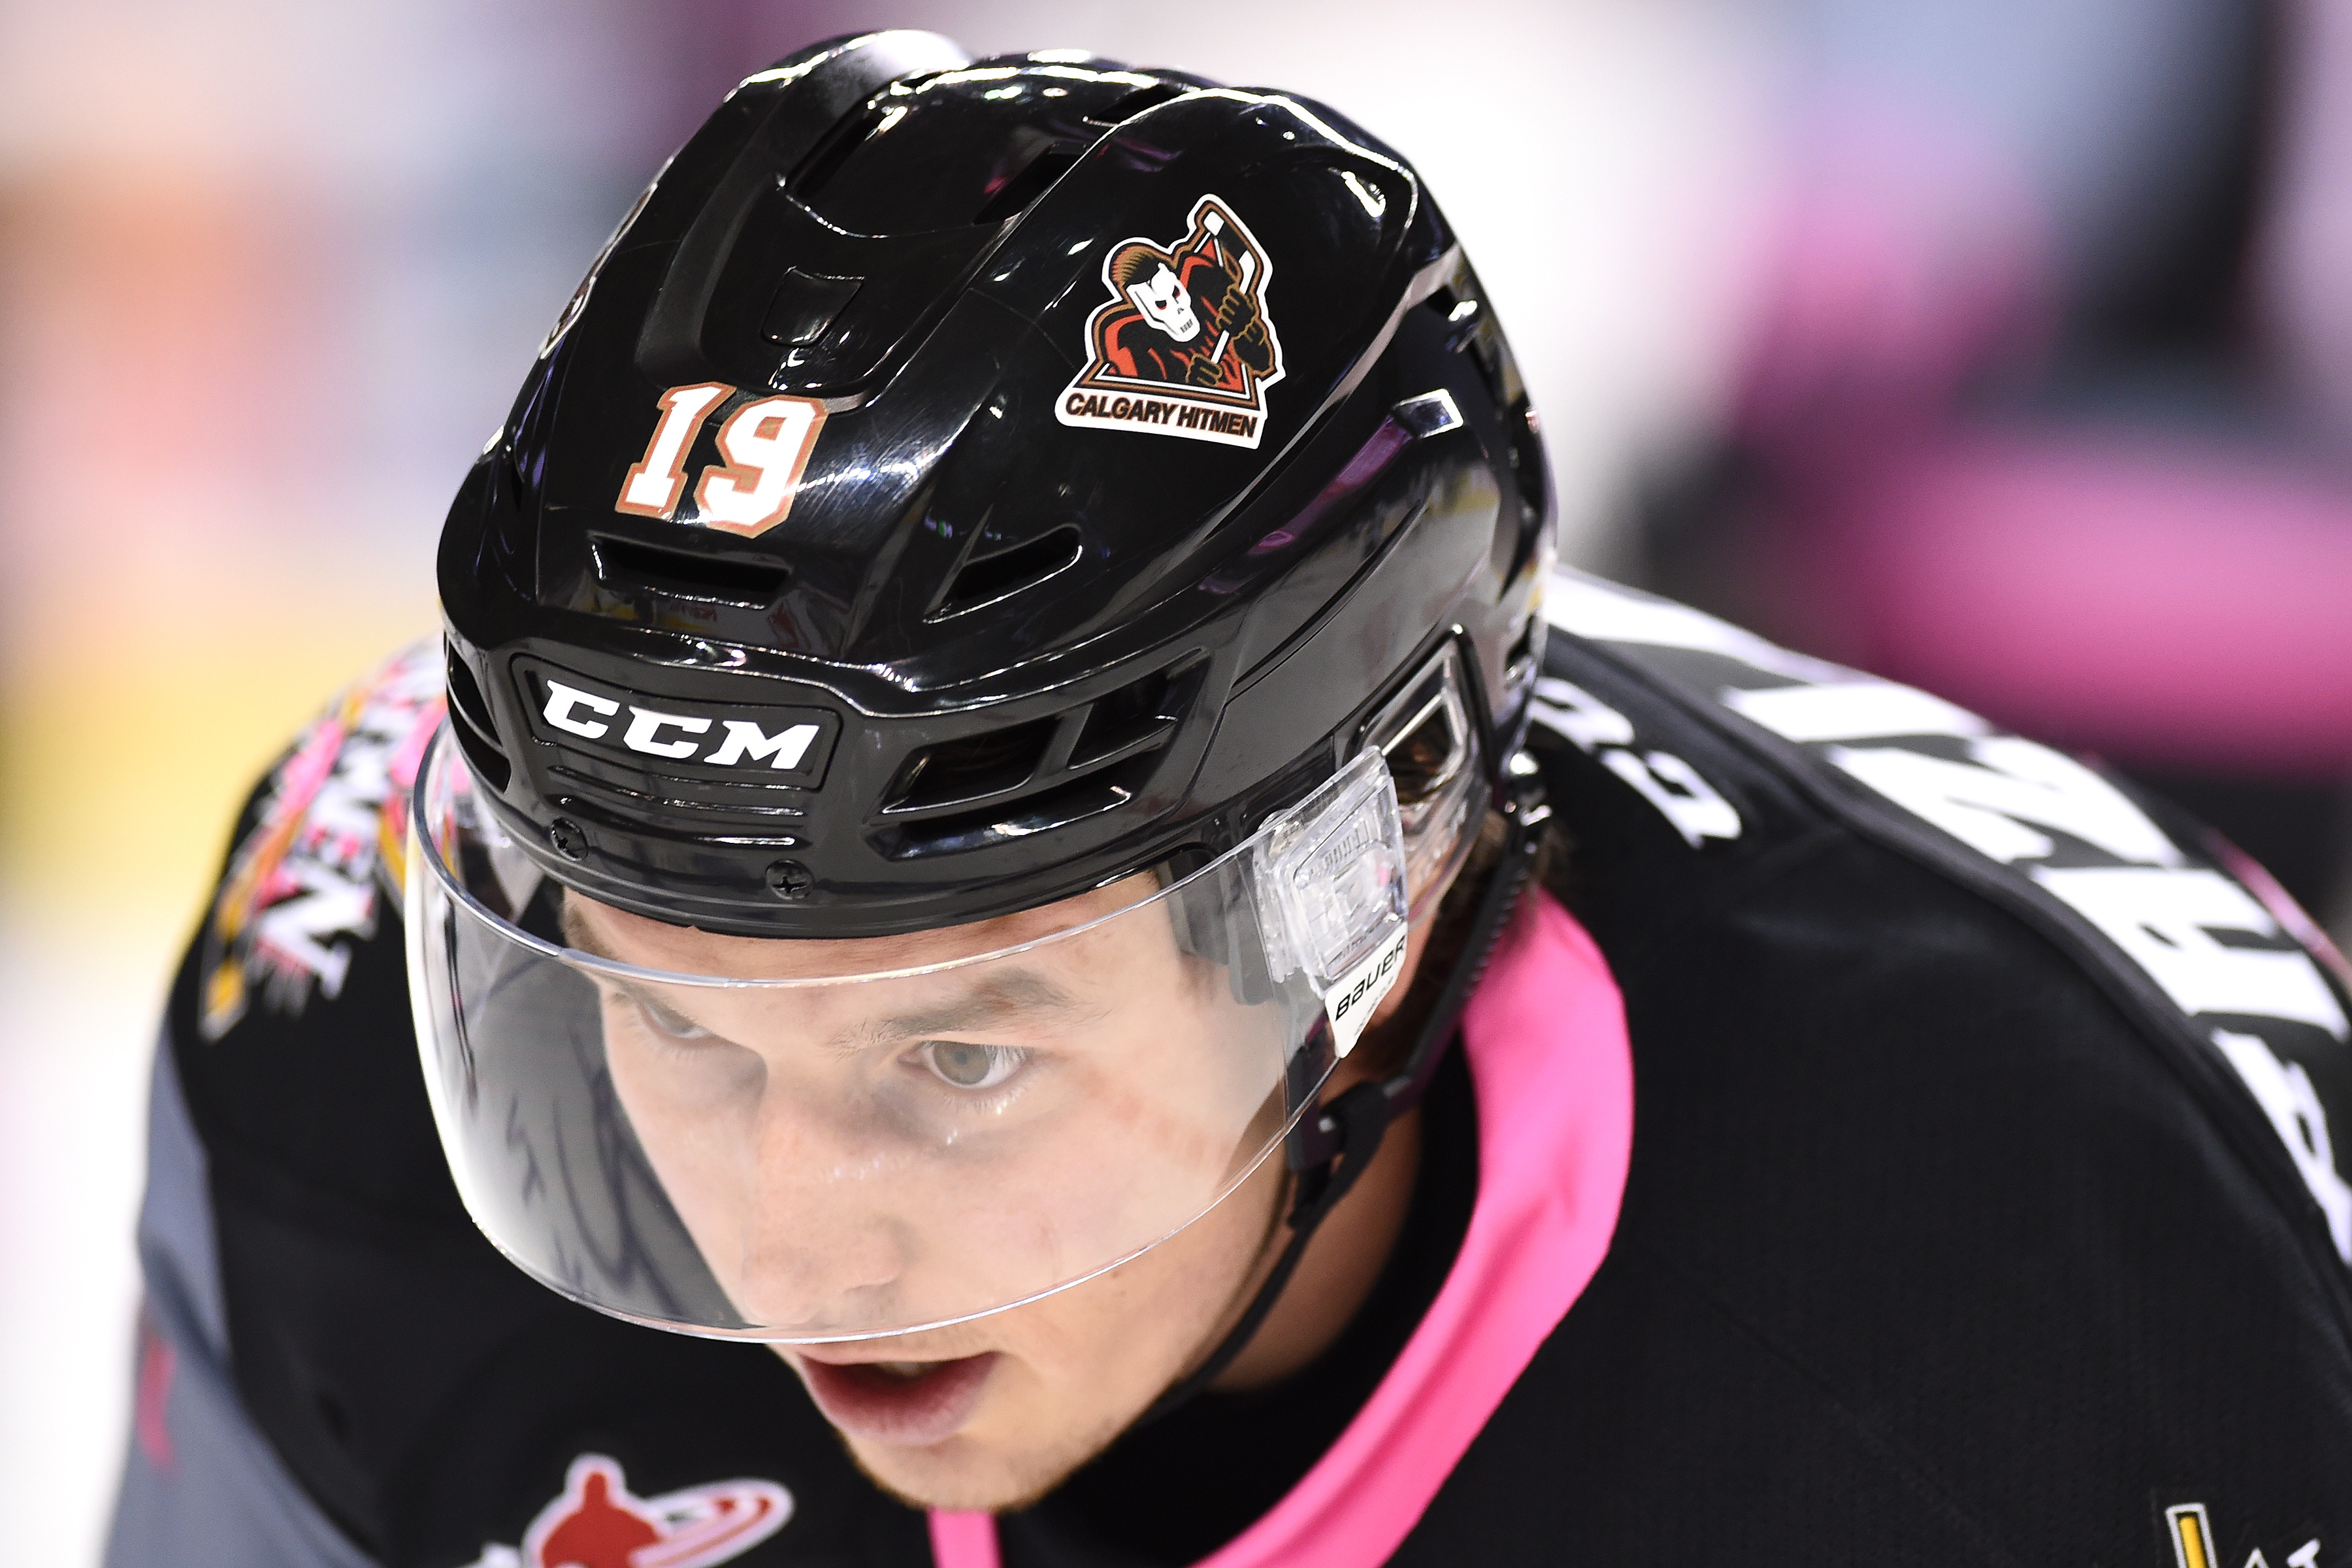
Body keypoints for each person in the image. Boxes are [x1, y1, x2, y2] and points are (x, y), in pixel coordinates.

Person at [108, 32, 2352, 1568]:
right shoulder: (332, 1079)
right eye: (673, 1029)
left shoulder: (2064, 1306)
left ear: (1367, 904)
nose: (791, 1246)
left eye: (961, 1059)